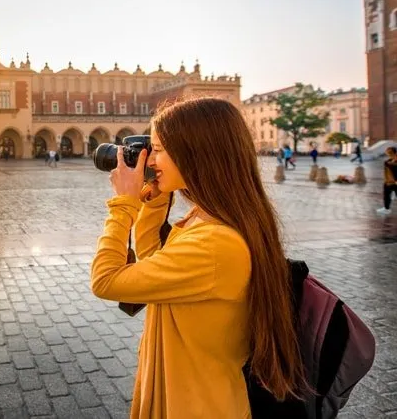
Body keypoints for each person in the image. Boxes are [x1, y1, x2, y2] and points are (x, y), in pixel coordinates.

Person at [91, 98, 304, 418]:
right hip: (183, 397)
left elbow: (106, 280)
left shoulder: (215, 243)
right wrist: (154, 199)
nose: (150, 159)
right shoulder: (206, 218)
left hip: (197, 407)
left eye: (158, 149)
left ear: (195, 154)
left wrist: (124, 204)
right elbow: (154, 261)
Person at [376, 146, 397, 215]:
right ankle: (386, 208)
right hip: (388, 181)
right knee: (386, 195)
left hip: (395, 182)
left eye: (390, 152)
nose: (388, 154)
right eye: (388, 152)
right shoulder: (388, 161)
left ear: (394, 153)